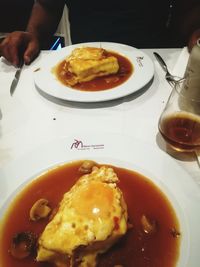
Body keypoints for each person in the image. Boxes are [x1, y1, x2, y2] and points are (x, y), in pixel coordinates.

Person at [0, 0, 200, 66]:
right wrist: (32, 34)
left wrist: (193, 37)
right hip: (82, 63)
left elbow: (187, 10)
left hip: (156, 62)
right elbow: (48, 5)